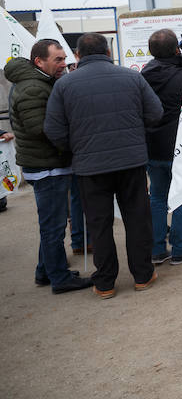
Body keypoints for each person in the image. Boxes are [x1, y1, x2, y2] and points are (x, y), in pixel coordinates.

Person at [44, 33, 163, 299]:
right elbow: (155, 113)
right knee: (137, 219)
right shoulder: (133, 77)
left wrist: (77, 147)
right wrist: (134, 136)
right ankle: (142, 275)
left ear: (77, 56)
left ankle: (105, 283)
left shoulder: (64, 85)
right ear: (108, 53)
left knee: (99, 224)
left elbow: (53, 129)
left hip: (89, 166)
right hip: (131, 163)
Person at [4, 40, 92, 294]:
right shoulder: (33, 87)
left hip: (47, 164)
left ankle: (45, 271)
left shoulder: (39, 82)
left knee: (51, 222)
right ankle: (60, 279)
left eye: (64, 58)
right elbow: (41, 129)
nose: (64, 64)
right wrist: (75, 138)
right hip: (48, 167)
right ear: (39, 62)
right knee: (53, 226)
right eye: (58, 60)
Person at [140, 29, 182, 265]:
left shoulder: (144, 75)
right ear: (176, 49)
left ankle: (157, 249)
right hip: (180, 146)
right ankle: (181, 248)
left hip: (152, 148)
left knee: (157, 197)